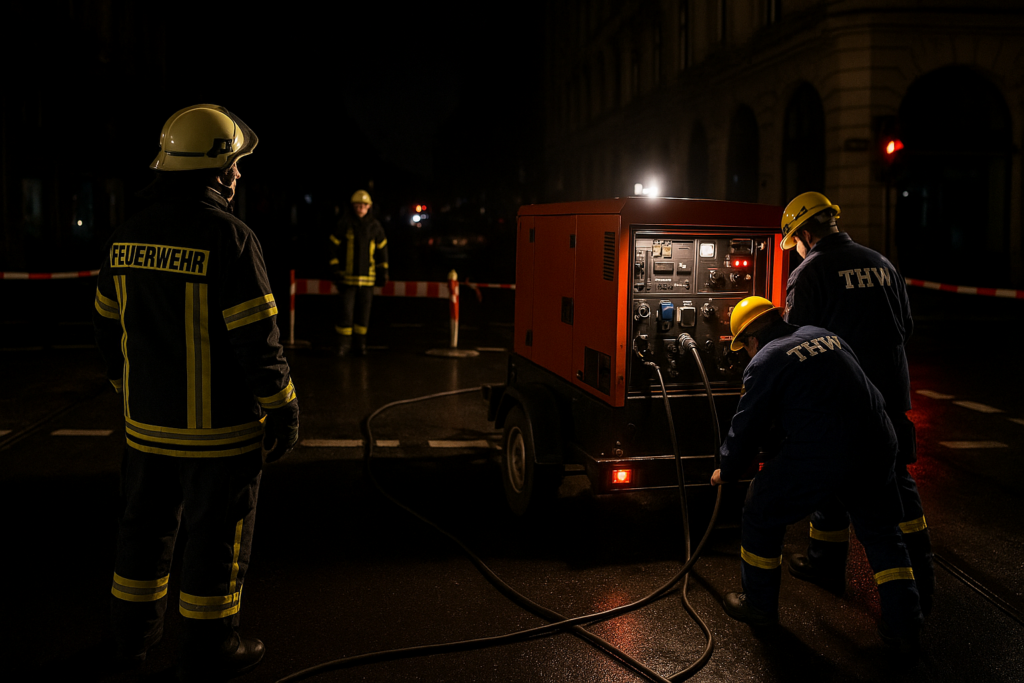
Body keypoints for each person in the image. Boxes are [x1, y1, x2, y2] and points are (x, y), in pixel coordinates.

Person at [93, 104, 300, 681]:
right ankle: (211, 647)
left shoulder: (125, 236)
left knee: (142, 537)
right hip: (221, 438)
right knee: (215, 544)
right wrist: (284, 409)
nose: (239, 175)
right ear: (213, 170)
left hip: (146, 433)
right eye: (235, 165)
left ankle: (130, 643)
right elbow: (258, 343)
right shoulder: (231, 239)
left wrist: (128, 391)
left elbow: (107, 328)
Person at [711, 297, 923, 655]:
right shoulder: (825, 335)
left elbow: (747, 425)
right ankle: (905, 627)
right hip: (877, 441)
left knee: (760, 509)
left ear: (749, 339)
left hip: (827, 450)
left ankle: (758, 607)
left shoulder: (765, 360)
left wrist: (726, 469)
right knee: (881, 532)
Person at [779, 191, 933, 614]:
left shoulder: (811, 272)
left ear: (805, 234)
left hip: (842, 404)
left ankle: (827, 565)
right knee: (898, 486)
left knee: (834, 484)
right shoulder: (883, 264)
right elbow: (906, 326)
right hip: (891, 402)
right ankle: (921, 568)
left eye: (795, 243)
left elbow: (798, 344)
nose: (797, 251)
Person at [328, 189, 389, 356]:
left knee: (363, 316)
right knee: (345, 315)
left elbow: (382, 251)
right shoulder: (344, 224)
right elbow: (332, 248)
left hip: (368, 281)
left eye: (364, 205)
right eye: (358, 205)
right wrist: (335, 269)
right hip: (347, 280)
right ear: (353, 206)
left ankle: (360, 346)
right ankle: (343, 346)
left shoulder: (375, 227)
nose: (361, 208)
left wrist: (383, 272)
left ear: (369, 207)